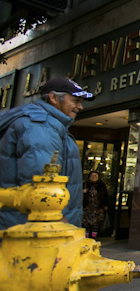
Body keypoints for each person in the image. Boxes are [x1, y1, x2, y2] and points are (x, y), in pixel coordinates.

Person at [0, 78, 94, 229]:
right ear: (54, 98)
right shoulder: (41, 126)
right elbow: (41, 184)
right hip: (38, 231)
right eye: (75, 100)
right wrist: (59, 221)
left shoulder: (48, 126)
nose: (80, 106)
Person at [82, 171, 109, 239]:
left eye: (95, 176)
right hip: (87, 207)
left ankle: (93, 237)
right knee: (86, 223)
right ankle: (86, 237)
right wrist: (83, 192)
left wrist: (105, 204)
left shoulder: (101, 185)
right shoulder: (85, 185)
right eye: (92, 176)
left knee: (96, 224)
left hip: (97, 208)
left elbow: (105, 196)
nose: (94, 177)